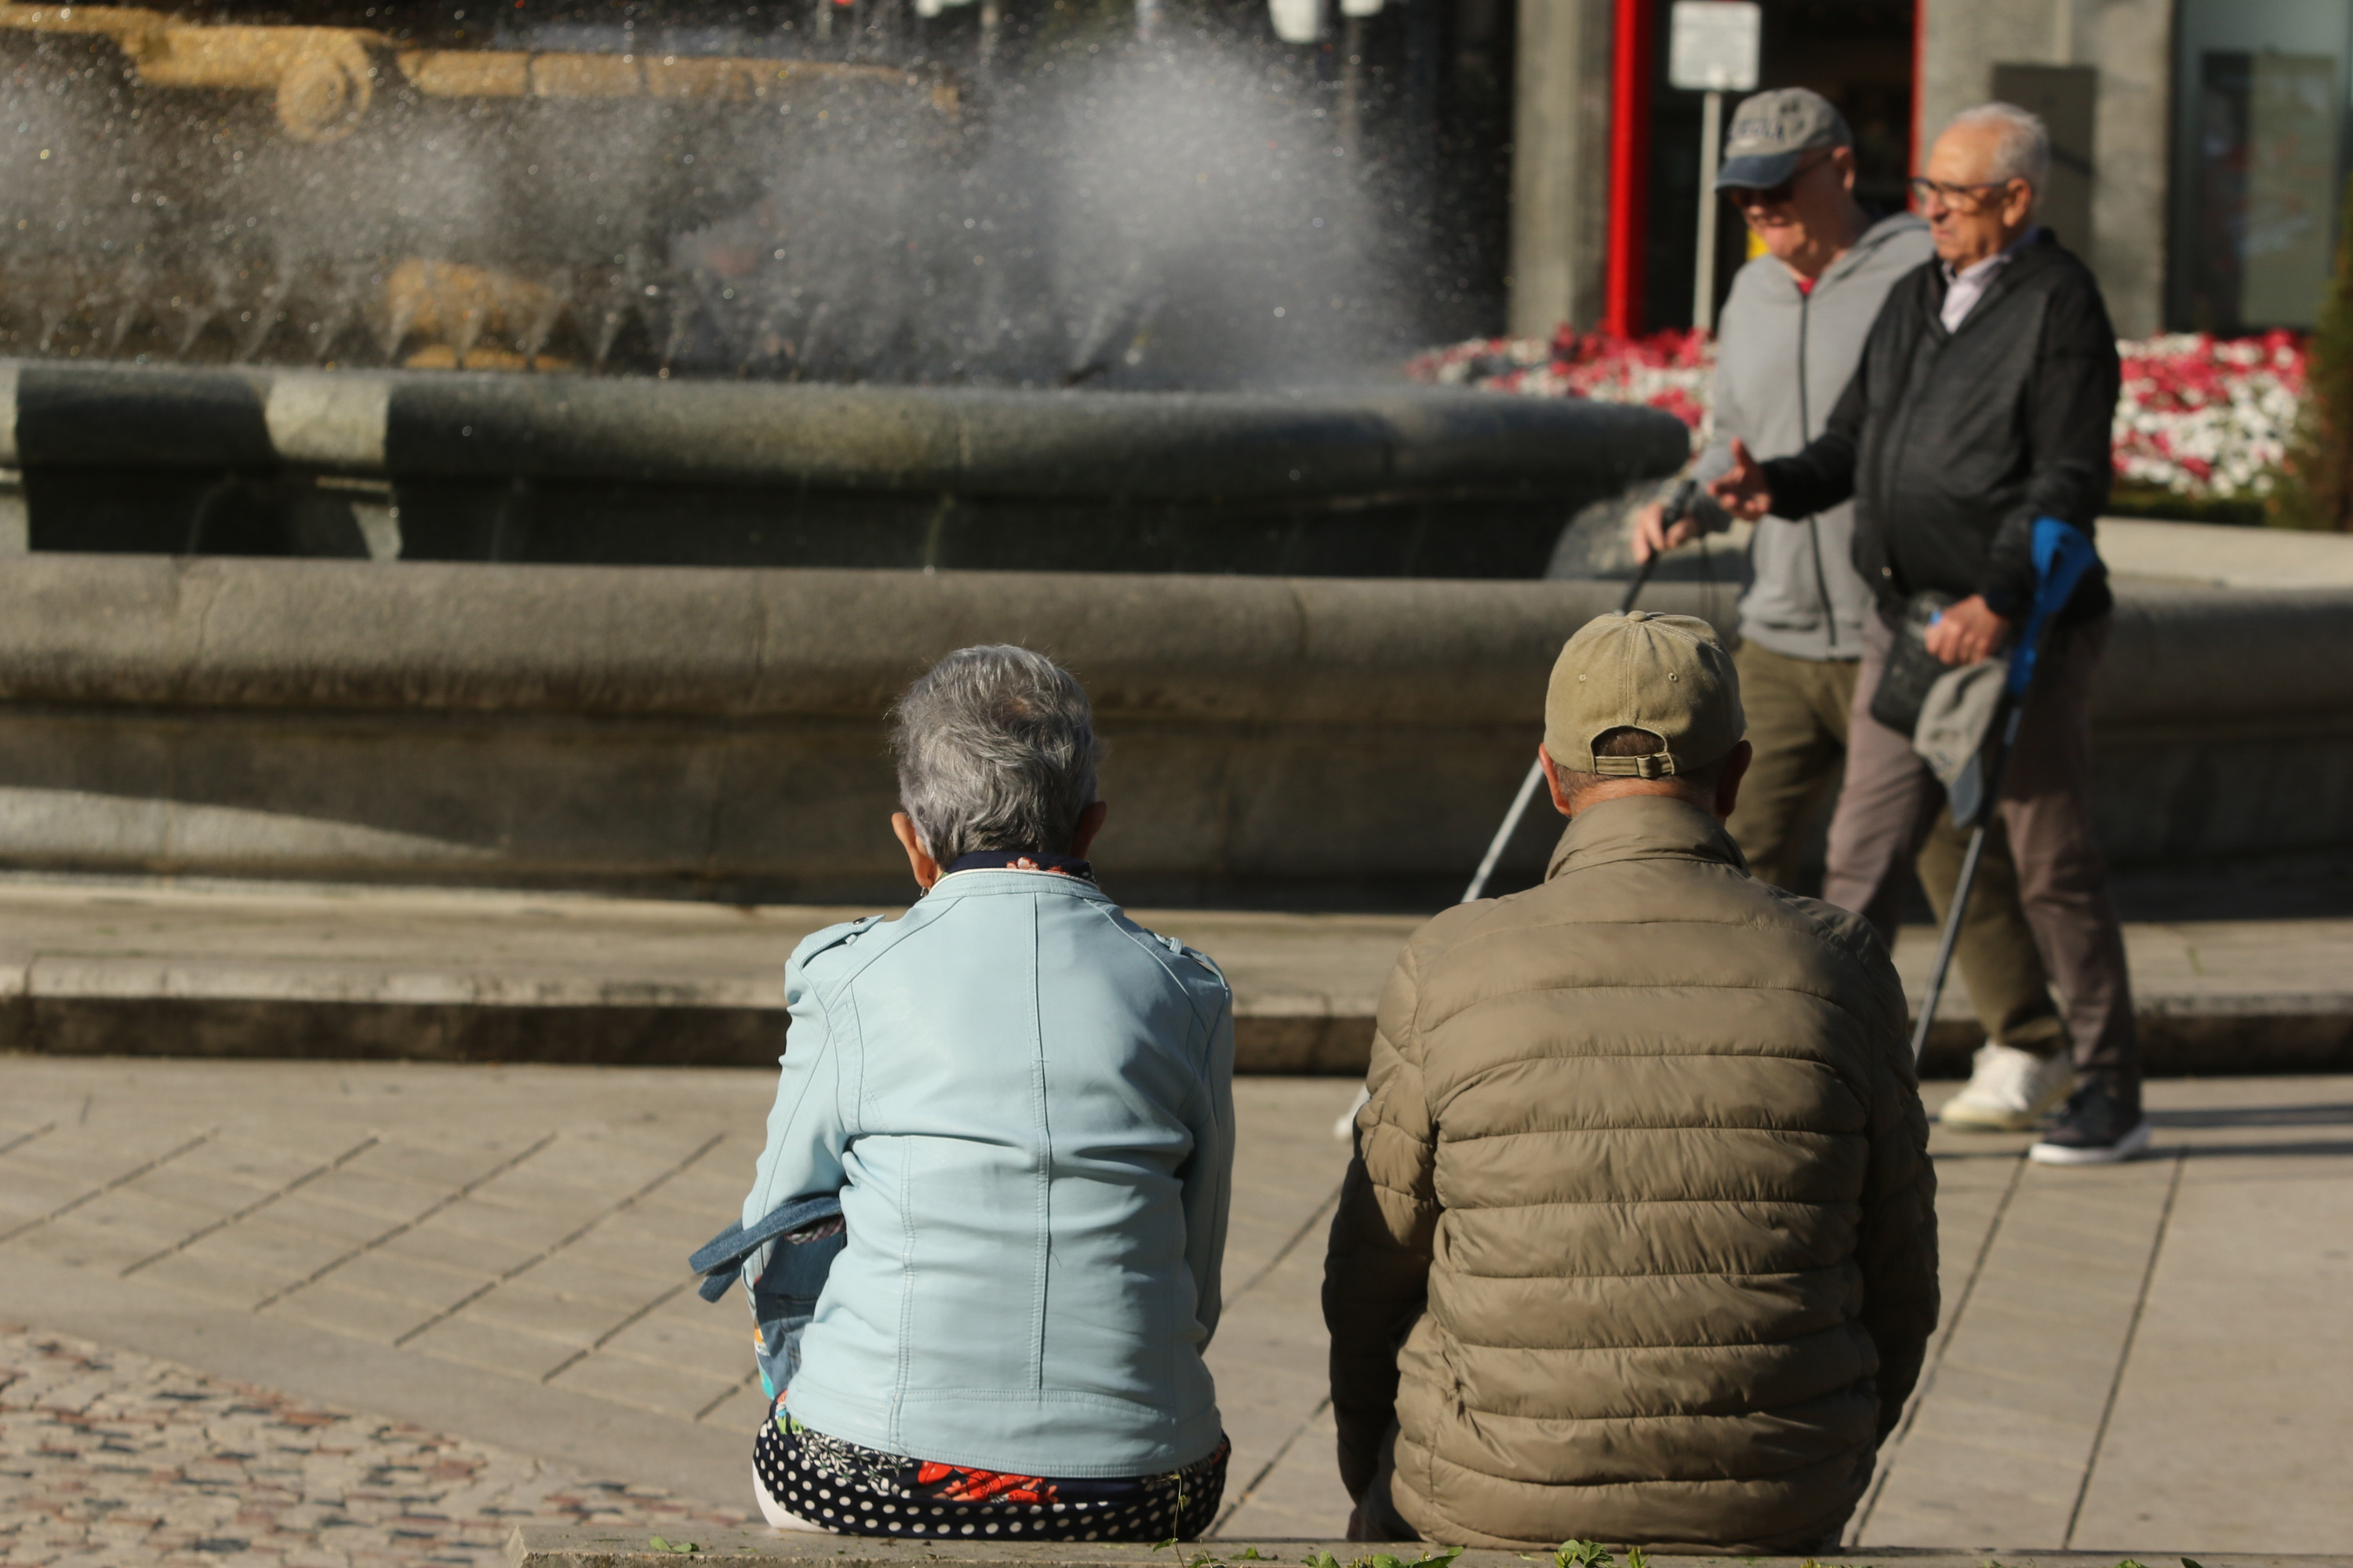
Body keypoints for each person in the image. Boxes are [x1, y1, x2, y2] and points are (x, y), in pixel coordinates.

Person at [1322, 610, 1937, 1552]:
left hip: (1488, 1499)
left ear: (1553, 778)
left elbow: (1374, 1270)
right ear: (1735, 775)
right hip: (1778, 1498)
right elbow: (1900, 1279)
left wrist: (1375, 1470)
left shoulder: (1446, 960)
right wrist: (1818, 1462)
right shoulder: (1843, 964)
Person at [1709, 103, 2146, 1164]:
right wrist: (1780, 484)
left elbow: (2067, 476)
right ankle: (1836, 1086)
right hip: (1905, 621)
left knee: (2051, 865)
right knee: (1858, 862)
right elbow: (1857, 441)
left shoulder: (2062, 304)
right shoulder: (1920, 294)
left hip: (2017, 626)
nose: (1930, 210)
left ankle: (2113, 1091)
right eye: (1926, 190)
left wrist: (1996, 598)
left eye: (1952, 194)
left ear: (2016, 199)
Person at [1635, 86, 2074, 1132]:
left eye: (1777, 186)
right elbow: (1726, 436)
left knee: (1952, 848)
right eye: (1742, 194)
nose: (1760, 208)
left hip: (1901, 622)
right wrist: (1692, 501)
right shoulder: (1748, 297)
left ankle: (2028, 1041)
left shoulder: (1918, 280)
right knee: (1735, 850)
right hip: (1780, 628)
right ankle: (1754, 1057)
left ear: (1838, 168)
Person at [722, 644, 1237, 1538]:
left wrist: (805, 1376)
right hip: (1143, 1482)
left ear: (912, 843)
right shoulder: (1185, 993)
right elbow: (1198, 1275)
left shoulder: (852, 980)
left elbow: (775, 1230)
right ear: (1091, 828)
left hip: (873, 1469)